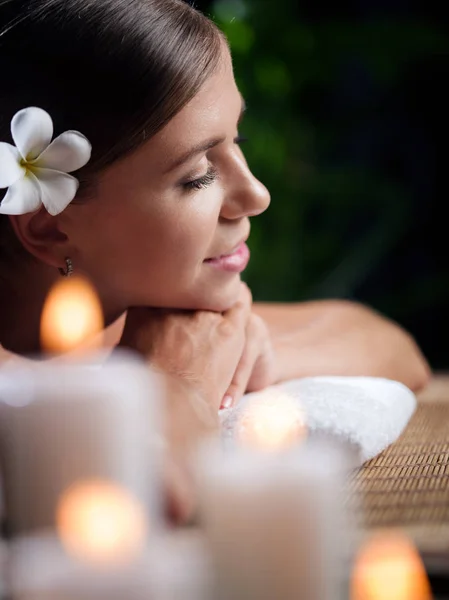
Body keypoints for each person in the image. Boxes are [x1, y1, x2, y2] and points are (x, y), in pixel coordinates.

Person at [0, 0, 430, 522]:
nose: (256, 194)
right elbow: (138, 502)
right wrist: (177, 380)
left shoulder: (147, 322)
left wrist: (235, 348)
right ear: (49, 225)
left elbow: (391, 346)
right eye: (199, 174)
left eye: (237, 140)